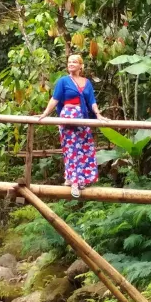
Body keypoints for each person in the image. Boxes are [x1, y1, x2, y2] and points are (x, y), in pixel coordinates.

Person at [38, 54, 108, 198]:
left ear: (81, 66)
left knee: (85, 148)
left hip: (83, 118)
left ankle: (81, 179)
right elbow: (55, 99)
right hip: (68, 117)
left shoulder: (87, 82)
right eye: (69, 62)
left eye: (74, 62)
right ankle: (74, 183)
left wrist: (98, 114)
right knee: (72, 150)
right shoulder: (63, 81)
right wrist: (44, 114)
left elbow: (92, 101)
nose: (71, 64)